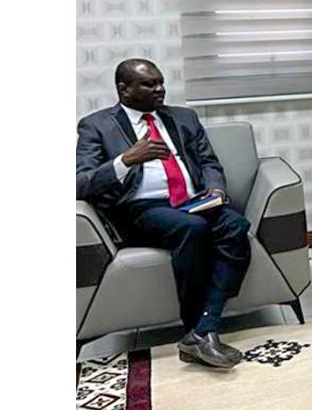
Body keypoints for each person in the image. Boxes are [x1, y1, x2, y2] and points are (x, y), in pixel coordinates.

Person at [76, 59, 251, 369]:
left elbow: (209, 162)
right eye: (149, 84)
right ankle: (197, 330)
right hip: (140, 209)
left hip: (193, 201)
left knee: (236, 225)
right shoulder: (96, 125)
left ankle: (202, 331)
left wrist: (215, 191)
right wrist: (126, 160)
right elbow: (81, 183)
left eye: (161, 82)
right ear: (124, 89)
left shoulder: (183, 117)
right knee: (192, 228)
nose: (160, 89)